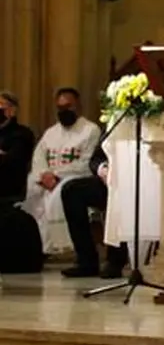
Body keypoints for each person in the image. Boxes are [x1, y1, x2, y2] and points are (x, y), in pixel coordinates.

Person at [21, 88, 102, 255]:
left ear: (79, 106)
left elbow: (87, 161)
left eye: (68, 106)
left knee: (60, 194)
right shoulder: (51, 132)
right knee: (30, 189)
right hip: (48, 179)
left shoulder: (90, 130)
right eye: (60, 108)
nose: (64, 111)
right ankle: (36, 247)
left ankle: (63, 247)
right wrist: (43, 174)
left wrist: (56, 175)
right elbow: (39, 156)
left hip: (75, 177)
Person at [59, 146, 128, 278]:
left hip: (137, 179)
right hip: (110, 179)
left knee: (118, 197)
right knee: (72, 190)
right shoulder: (119, 125)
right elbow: (97, 157)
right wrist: (103, 169)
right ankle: (86, 261)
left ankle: (115, 261)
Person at [0, 91, 35, 205]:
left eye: (1, 105)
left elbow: (13, 161)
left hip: (9, 191)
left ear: (12, 111)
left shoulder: (22, 134)